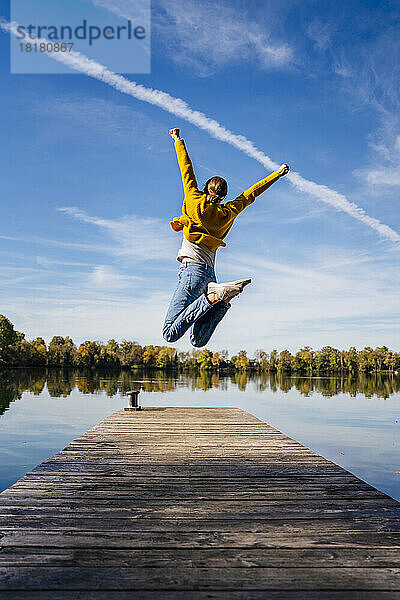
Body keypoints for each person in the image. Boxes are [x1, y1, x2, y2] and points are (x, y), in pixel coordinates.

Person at [163, 128, 289, 347]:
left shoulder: (194, 199)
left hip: (192, 273)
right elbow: (251, 194)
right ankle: (220, 300)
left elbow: (186, 168)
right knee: (197, 340)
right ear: (223, 196)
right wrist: (277, 174)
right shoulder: (228, 211)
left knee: (169, 333)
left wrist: (177, 140)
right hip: (209, 275)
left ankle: (214, 299)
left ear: (206, 188)